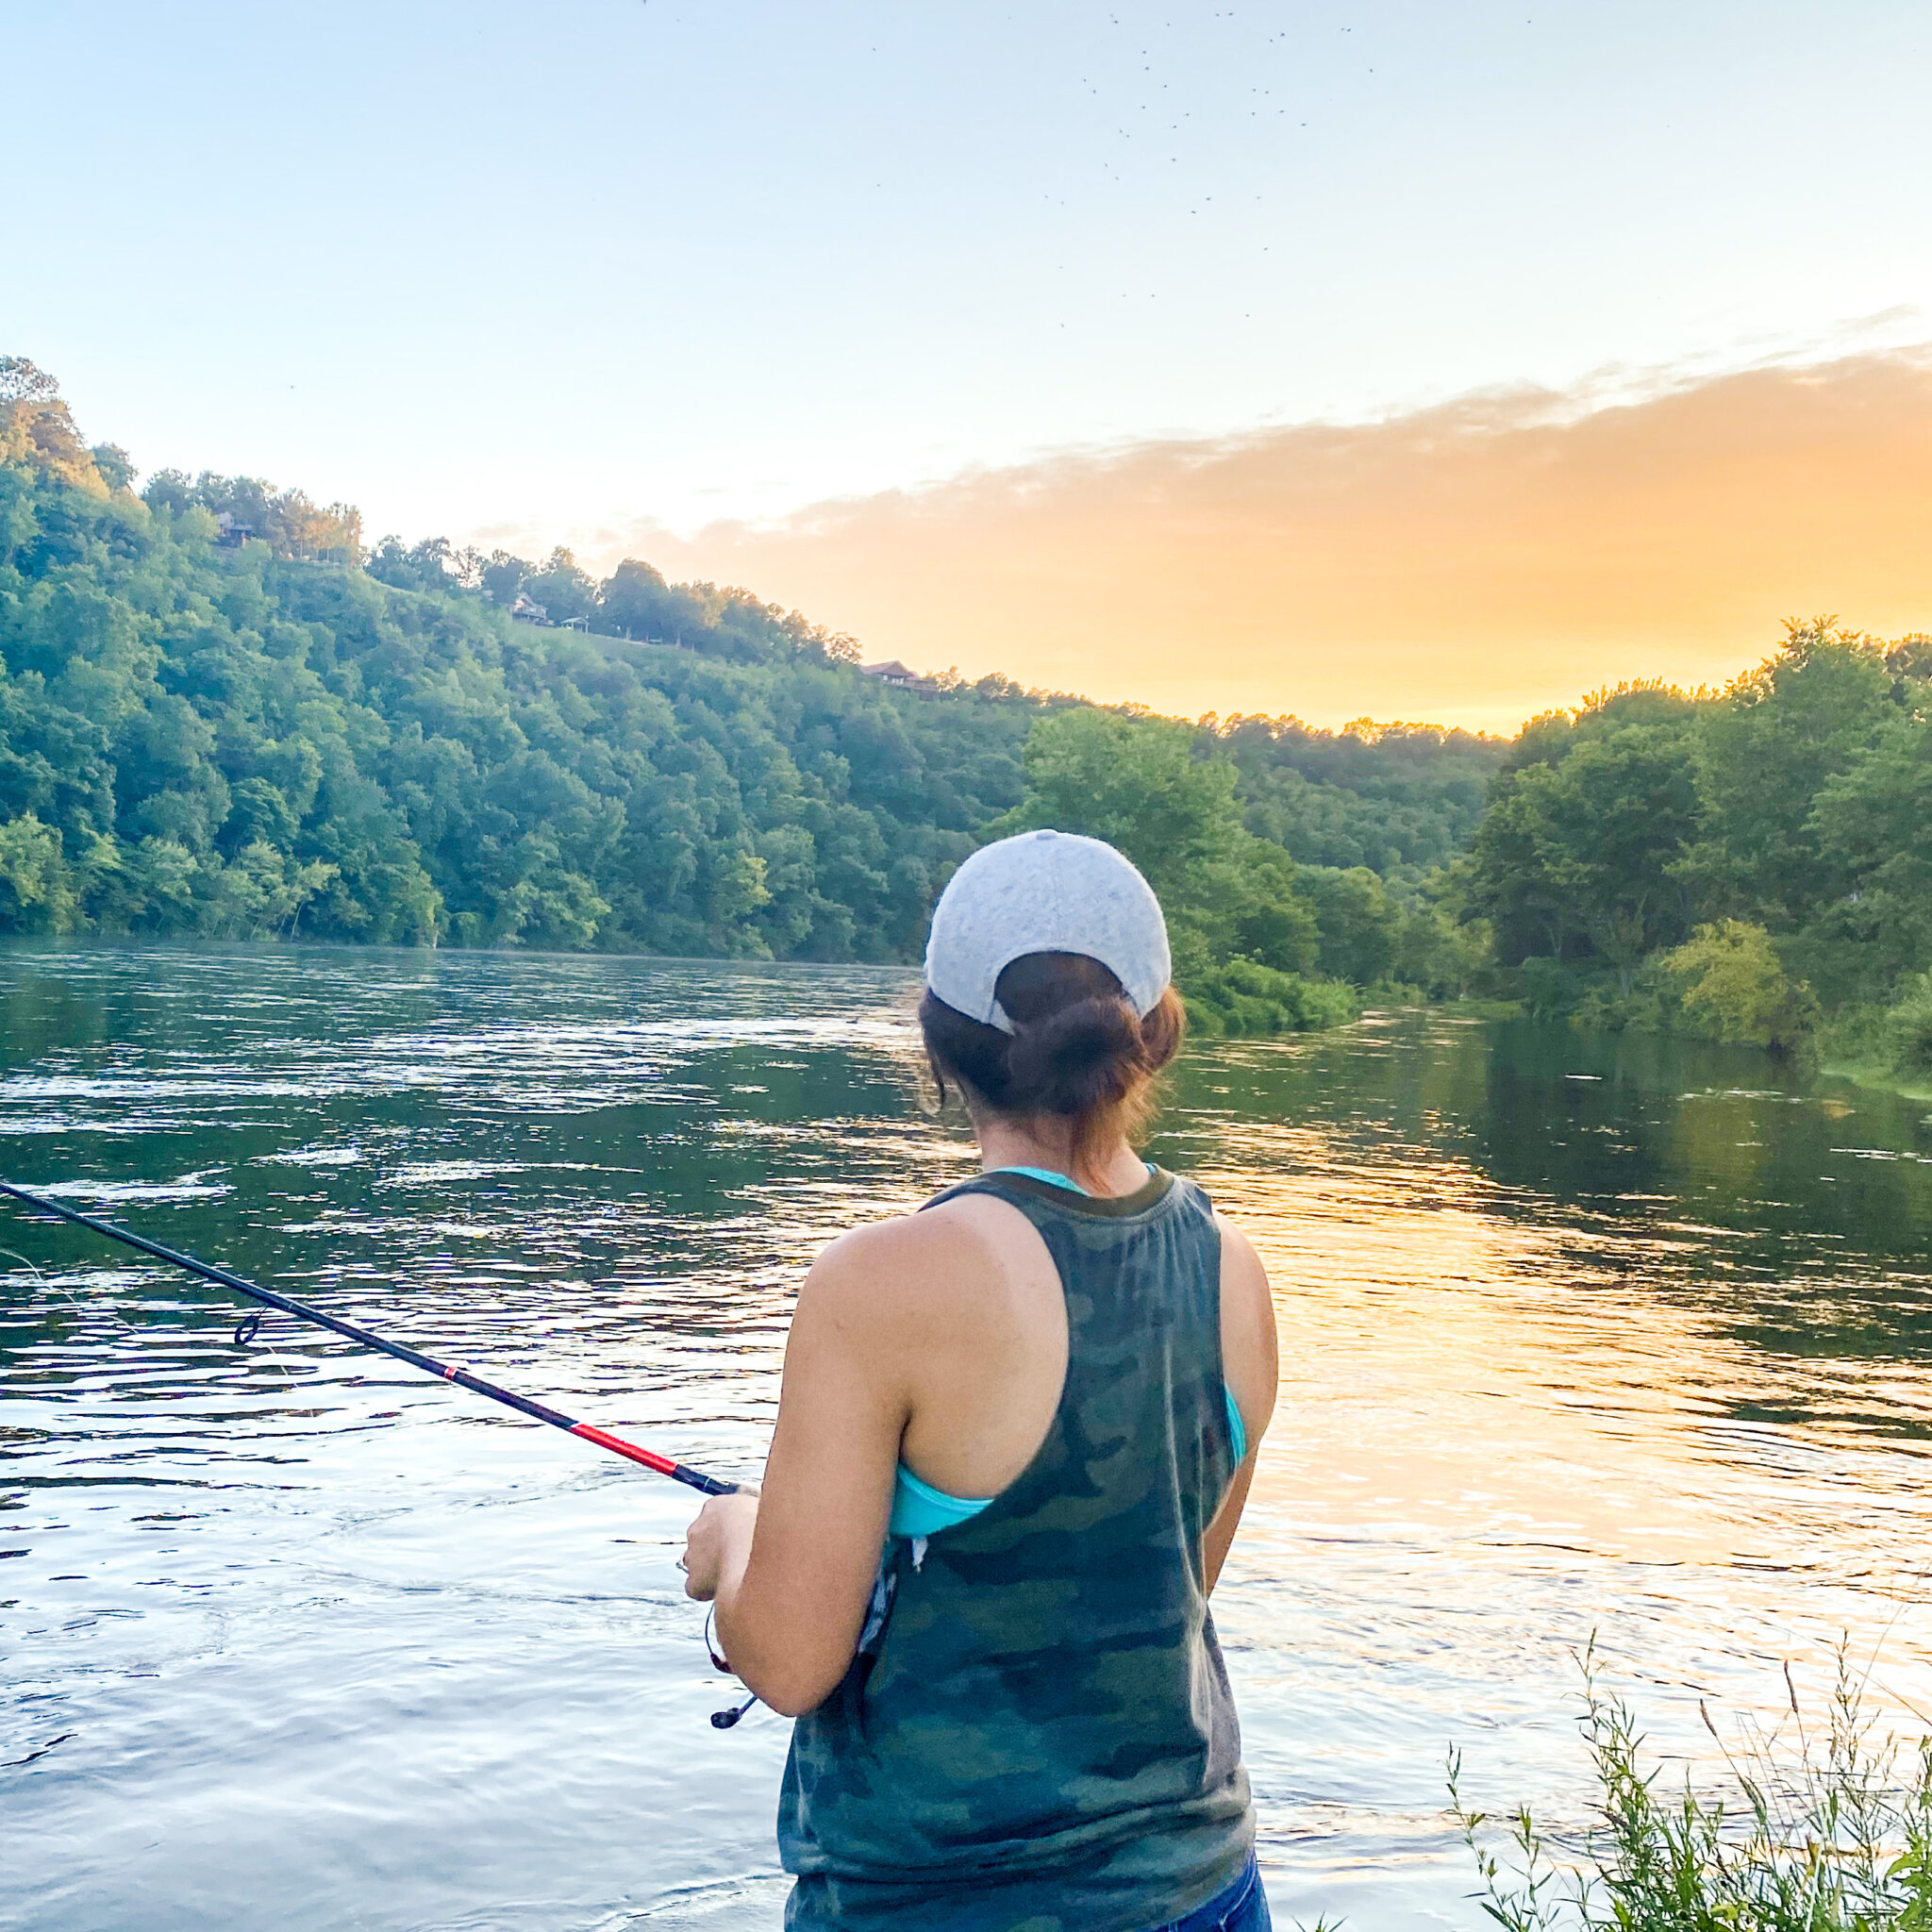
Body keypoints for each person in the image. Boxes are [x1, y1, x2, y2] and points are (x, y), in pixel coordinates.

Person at [682, 828, 1279, 1932]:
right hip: (1202, 1889)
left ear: (938, 1045)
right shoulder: (1233, 1271)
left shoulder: (878, 1283)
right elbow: (1167, 1585)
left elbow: (792, 1660)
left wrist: (733, 1542)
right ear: (1152, 1033)